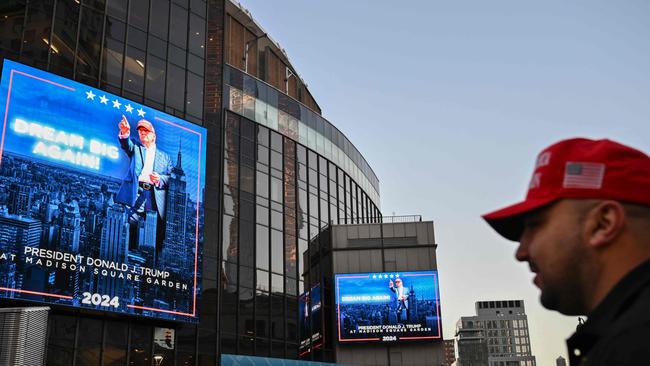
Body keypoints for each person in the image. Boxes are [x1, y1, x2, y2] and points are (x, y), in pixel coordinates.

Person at [482, 138, 650, 365]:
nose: (521, 252)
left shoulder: (633, 344)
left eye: (534, 225)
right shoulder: (622, 336)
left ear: (603, 223)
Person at [115, 115, 172, 257]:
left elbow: (172, 179)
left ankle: (149, 260)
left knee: (151, 231)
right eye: (140, 131)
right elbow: (126, 144)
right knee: (129, 226)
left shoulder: (165, 157)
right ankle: (126, 257)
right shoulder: (136, 148)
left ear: (154, 136)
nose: (142, 133)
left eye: (146, 131)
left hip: (153, 196)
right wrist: (124, 132)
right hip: (136, 192)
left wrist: (160, 179)